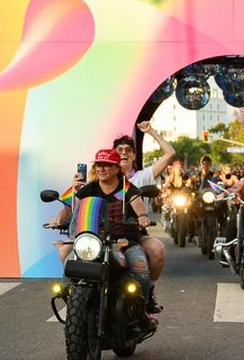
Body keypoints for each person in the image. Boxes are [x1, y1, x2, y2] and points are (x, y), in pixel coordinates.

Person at [55, 148, 153, 300]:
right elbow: (70, 208)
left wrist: (143, 216)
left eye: (106, 165)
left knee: (140, 266)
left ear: (116, 168)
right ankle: (71, 298)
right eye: (98, 165)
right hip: (92, 240)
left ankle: (144, 304)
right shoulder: (89, 188)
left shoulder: (127, 188)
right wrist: (59, 218)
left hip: (122, 241)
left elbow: (139, 205)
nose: (101, 168)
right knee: (67, 256)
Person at [113, 122, 176, 311]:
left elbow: (170, 154)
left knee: (157, 250)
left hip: (135, 234)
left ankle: (149, 293)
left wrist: (151, 132)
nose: (123, 153)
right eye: (119, 149)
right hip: (105, 234)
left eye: (128, 150)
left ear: (134, 155)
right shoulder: (104, 177)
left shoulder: (143, 176)